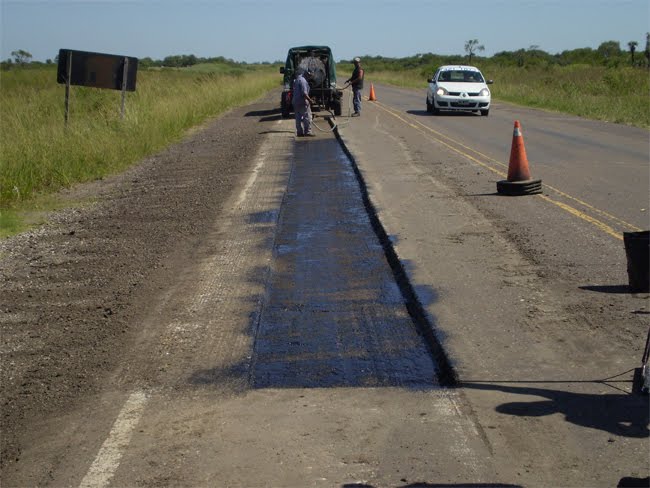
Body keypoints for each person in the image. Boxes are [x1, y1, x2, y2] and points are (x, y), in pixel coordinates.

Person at [292, 68, 314, 137]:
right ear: (307, 74)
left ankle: (299, 132)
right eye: (310, 75)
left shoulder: (298, 79)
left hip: (295, 102)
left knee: (298, 118)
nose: (310, 77)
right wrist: (310, 100)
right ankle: (307, 132)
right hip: (302, 102)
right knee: (307, 117)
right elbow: (304, 93)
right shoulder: (303, 81)